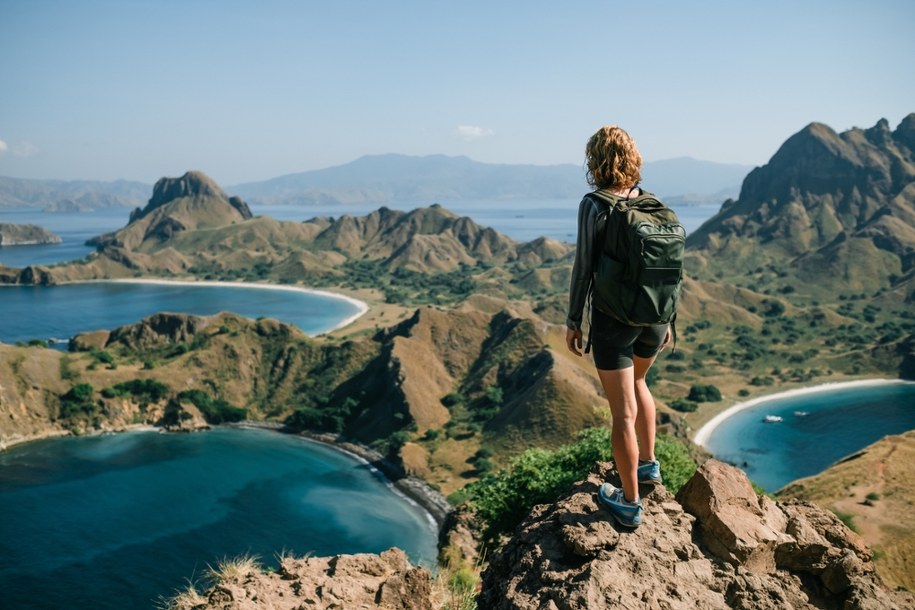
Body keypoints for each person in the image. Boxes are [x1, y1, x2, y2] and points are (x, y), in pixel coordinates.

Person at [565, 125, 670, 528]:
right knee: (641, 385)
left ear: (595, 160)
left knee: (621, 414)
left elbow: (584, 266)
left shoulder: (595, 204)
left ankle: (628, 504)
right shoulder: (653, 203)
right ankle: (648, 466)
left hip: (614, 322)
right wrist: (667, 319)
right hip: (656, 318)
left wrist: (575, 319)